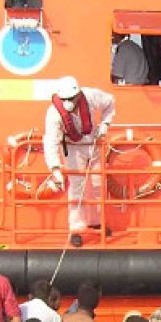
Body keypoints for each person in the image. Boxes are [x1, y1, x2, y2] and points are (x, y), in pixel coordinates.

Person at [43, 76, 117, 246]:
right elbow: (51, 140)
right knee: (77, 189)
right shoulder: (54, 113)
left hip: (94, 144)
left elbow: (110, 103)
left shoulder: (91, 96)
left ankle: (97, 221)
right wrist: (55, 168)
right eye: (65, 99)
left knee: (98, 183)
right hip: (73, 149)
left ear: (78, 95)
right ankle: (76, 227)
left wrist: (105, 126)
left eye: (71, 98)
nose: (69, 102)